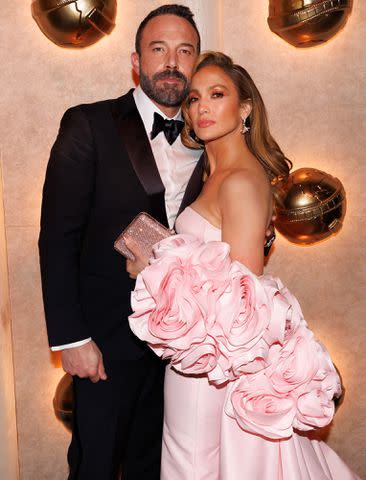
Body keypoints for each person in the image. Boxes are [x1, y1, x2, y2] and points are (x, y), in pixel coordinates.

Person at [128, 52, 360, 479]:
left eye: (217, 95)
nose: (202, 107)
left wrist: (153, 272)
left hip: (212, 366)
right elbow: (214, 264)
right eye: (194, 98)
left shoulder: (238, 180)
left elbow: (243, 299)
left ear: (246, 107)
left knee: (194, 466)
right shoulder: (219, 174)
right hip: (200, 358)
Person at [38, 5, 203, 479]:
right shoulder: (88, 124)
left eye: (185, 50)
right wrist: (72, 339)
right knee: (95, 467)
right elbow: (57, 238)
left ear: (196, 61)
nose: (172, 61)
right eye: (159, 49)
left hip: (181, 356)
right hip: (104, 348)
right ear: (136, 61)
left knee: (158, 468)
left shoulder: (211, 136)